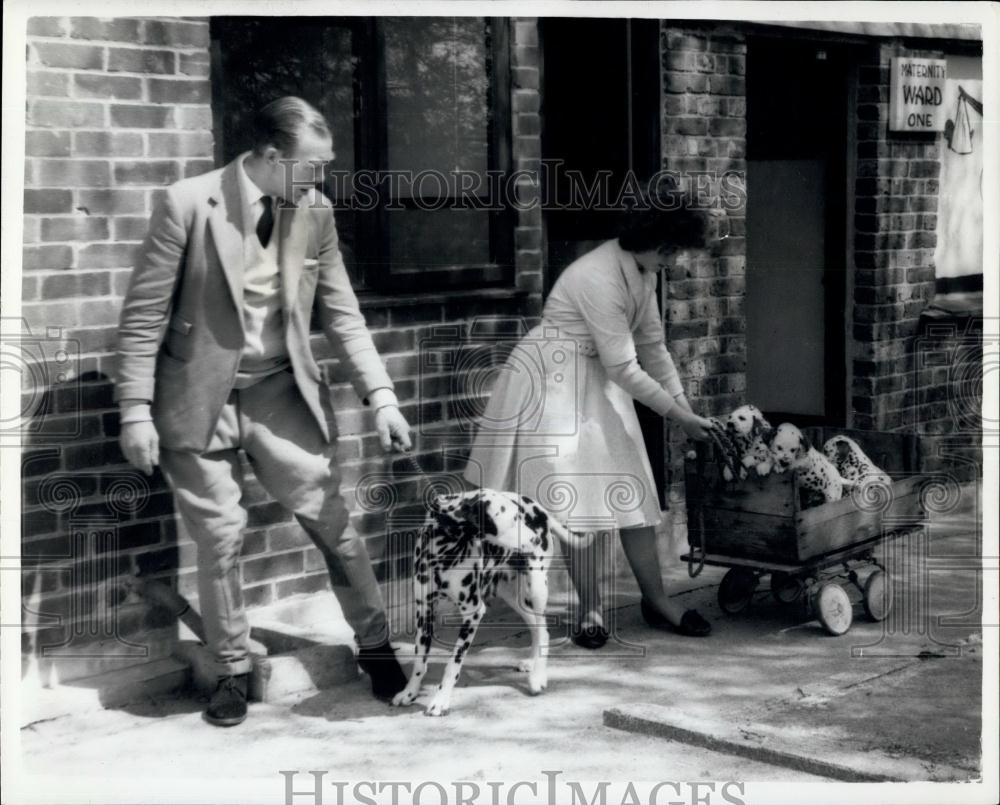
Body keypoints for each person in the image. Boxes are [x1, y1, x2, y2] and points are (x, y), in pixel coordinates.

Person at [115, 96, 412, 726]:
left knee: (333, 522)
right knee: (219, 538)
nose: (323, 178)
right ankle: (229, 670)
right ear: (272, 157)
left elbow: (342, 313)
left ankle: (378, 645)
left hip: (281, 394)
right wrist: (135, 409)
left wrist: (382, 395)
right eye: (314, 165)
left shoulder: (315, 210)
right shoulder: (188, 203)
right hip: (199, 400)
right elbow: (143, 317)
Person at [463, 205, 721, 648]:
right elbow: (624, 367)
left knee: (634, 489)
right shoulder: (599, 276)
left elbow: (653, 348)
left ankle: (656, 600)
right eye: (672, 251)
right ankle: (590, 611)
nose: (674, 261)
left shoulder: (643, 273)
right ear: (655, 242)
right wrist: (679, 419)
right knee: (575, 499)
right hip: (554, 381)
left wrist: (684, 406)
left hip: (595, 376)